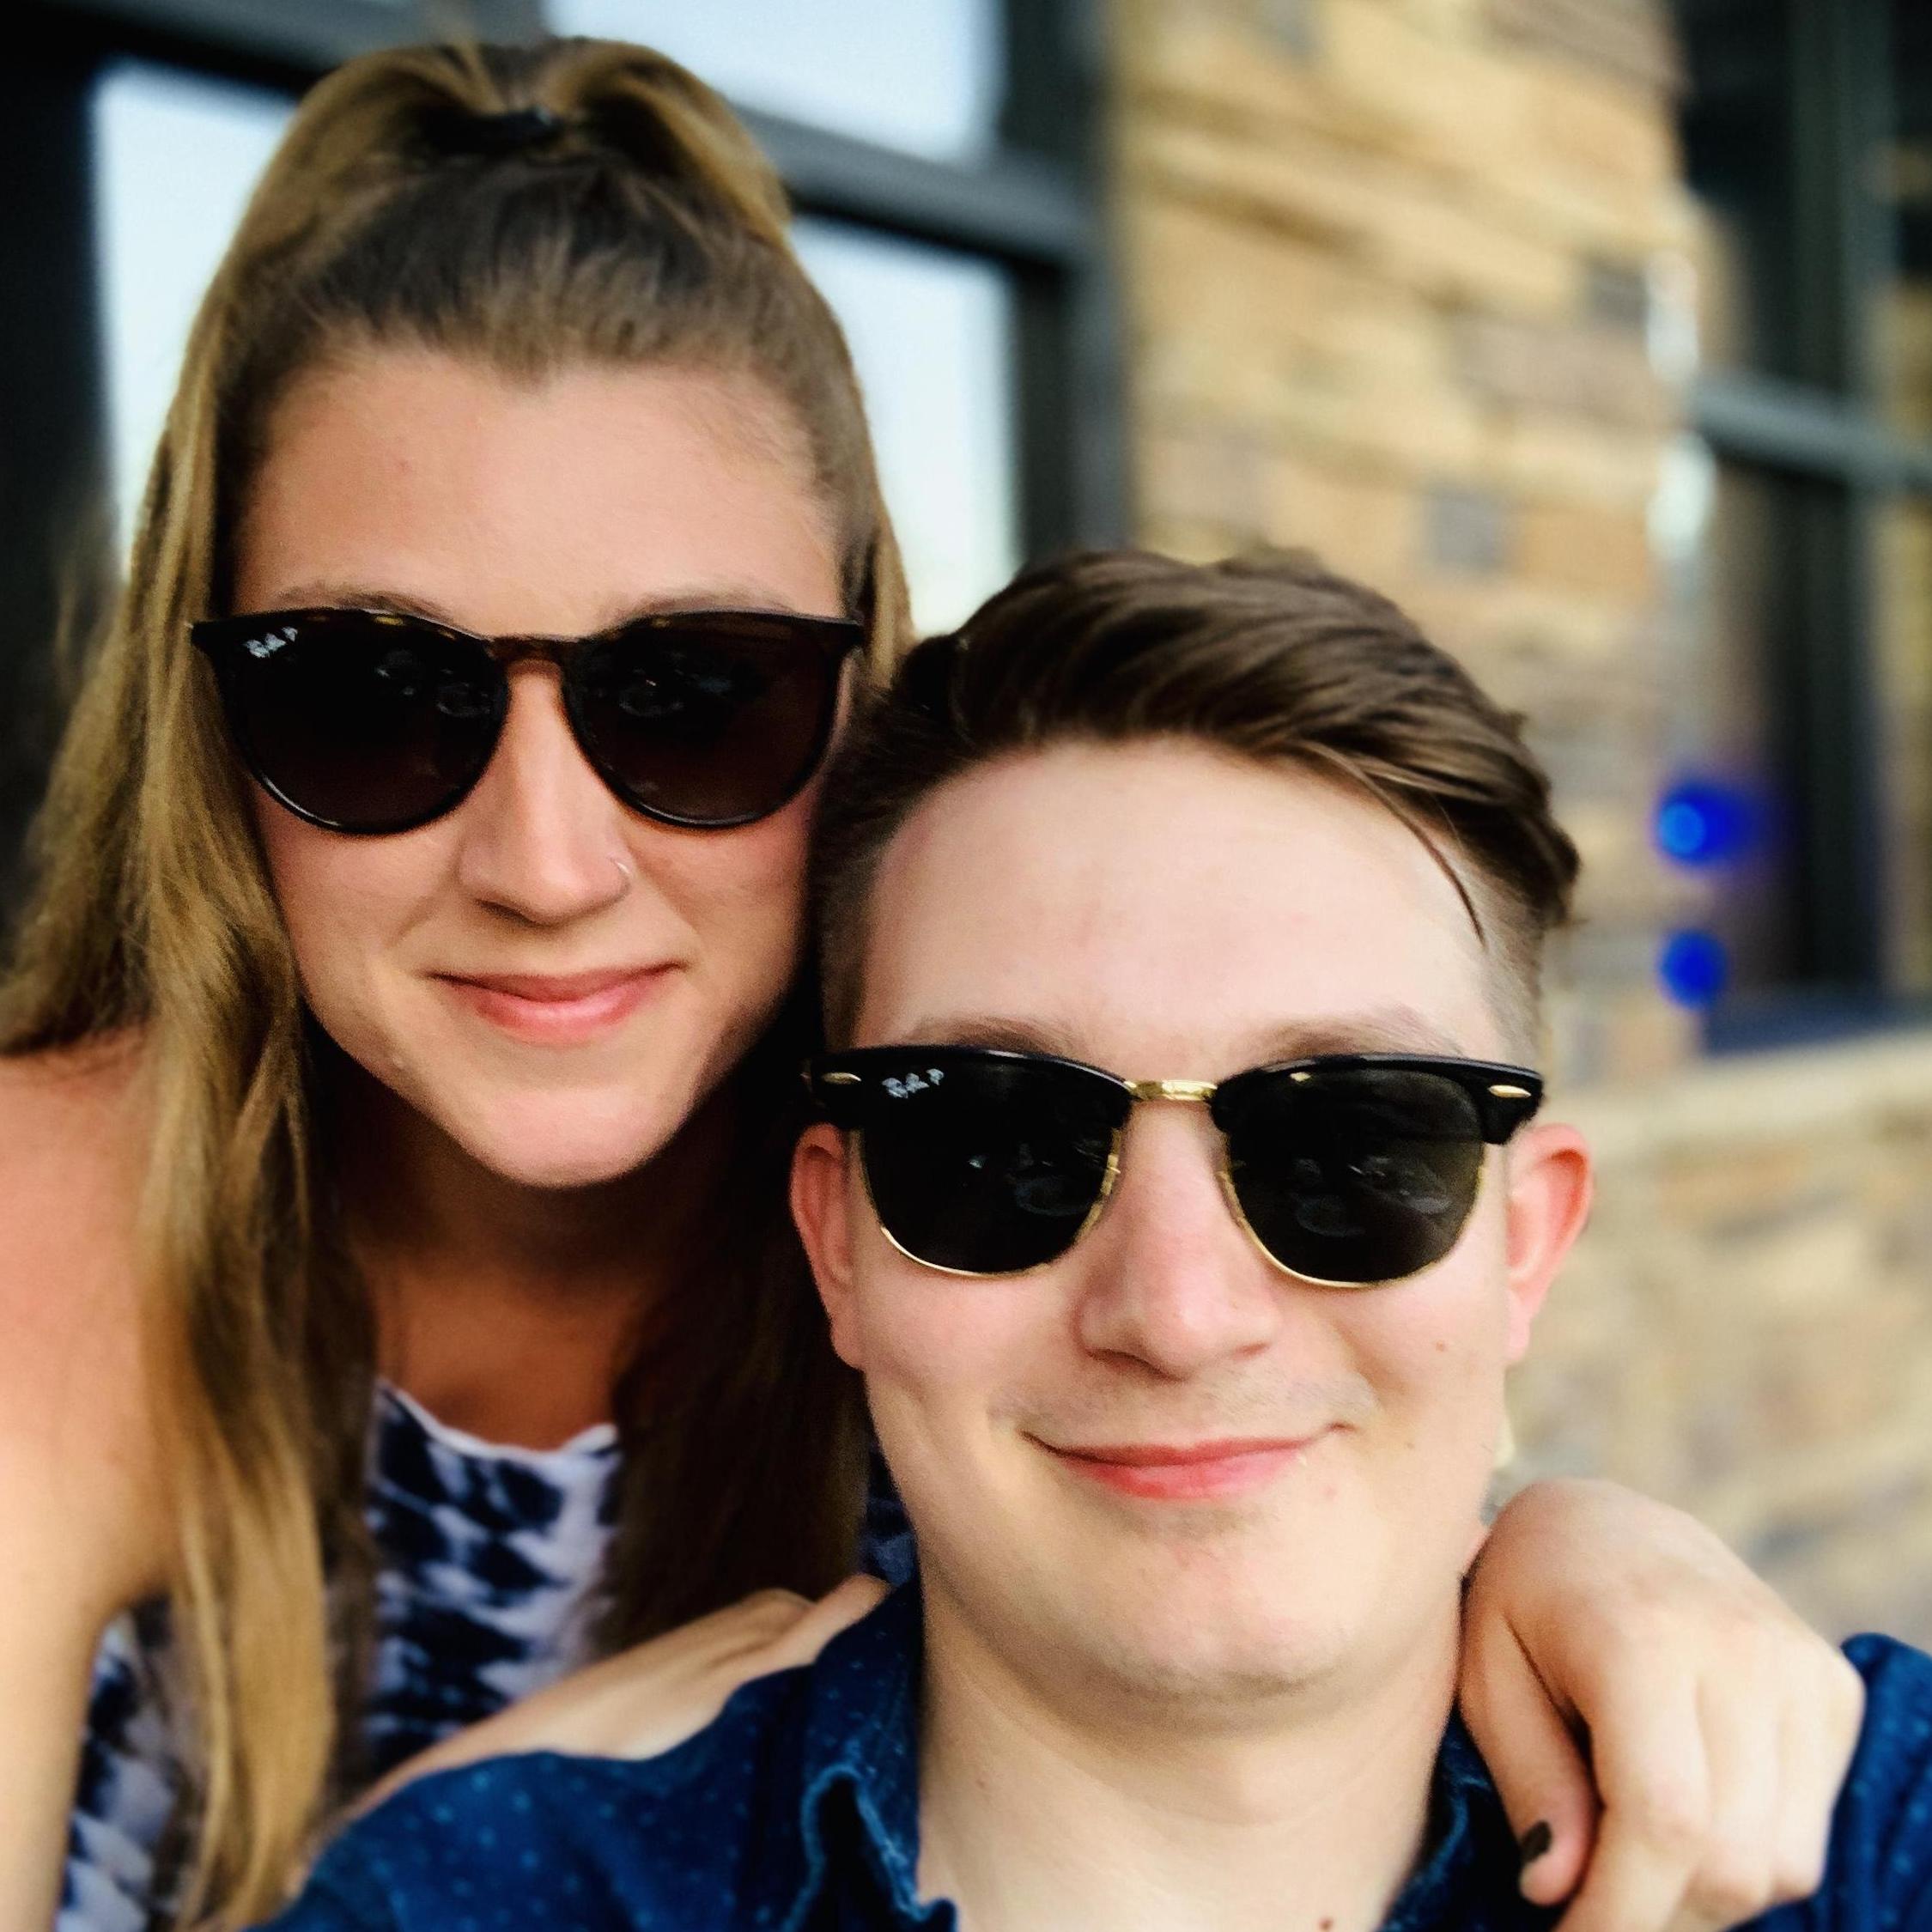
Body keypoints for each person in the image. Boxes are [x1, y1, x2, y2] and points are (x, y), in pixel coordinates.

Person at [0, 31, 1858, 1932]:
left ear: (850, 696)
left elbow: (1282, 1446)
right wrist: (448, 1836)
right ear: (212, 725)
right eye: (374, 697)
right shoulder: (54, 1224)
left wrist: (1579, 1550)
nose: (543, 864)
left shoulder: (975, 1168)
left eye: (695, 696)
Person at [254, 550, 1916, 1932]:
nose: (1176, 1312)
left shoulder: (1872, 1842)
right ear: (835, 1244)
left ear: (1523, 1243)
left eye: (1345, 1141)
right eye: (996, 1142)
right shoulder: (496, 1900)